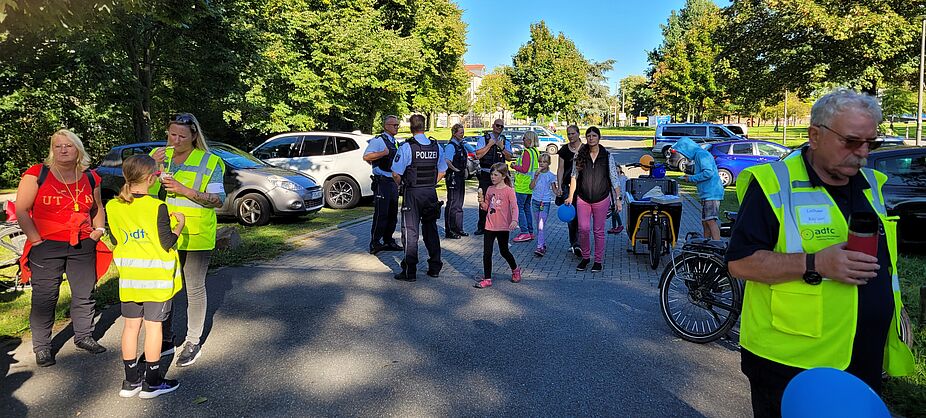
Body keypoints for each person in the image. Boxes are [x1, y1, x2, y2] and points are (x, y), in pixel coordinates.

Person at [726, 89, 914, 417]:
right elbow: (740, 263)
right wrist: (816, 262)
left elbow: (885, 264)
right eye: (851, 142)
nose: (863, 153)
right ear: (815, 135)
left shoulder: (871, 184)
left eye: (871, 144)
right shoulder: (773, 183)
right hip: (791, 363)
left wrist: (893, 310)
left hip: (862, 358)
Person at [15, 129, 107, 367]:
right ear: (52, 150)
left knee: (84, 293)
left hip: (82, 243)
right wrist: (36, 240)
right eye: (58, 146)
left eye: (68, 145)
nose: (63, 150)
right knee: (45, 296)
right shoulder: (37, 173)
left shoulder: (90, 177)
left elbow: (97, 207)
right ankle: (42, 347)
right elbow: (21, 209)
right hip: (46, 245)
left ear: (78, 149)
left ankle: (84, 336)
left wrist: (98, 230)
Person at [106, 155, 185, 399]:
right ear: (151, 179)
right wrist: (179, 225)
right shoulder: (157, 207)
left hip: (130, 278)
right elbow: (167, 242)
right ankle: (152, 382)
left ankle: (131, 381)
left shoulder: (113, 206)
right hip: (156, 280)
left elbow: (116, 239)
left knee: (130, 328)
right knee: (153, 329)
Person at [150, 113, 225, 367]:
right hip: (165, 233)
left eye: (182, 136)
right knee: (165, 288)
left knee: (194, 288)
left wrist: (185, 190)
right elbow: (141, 191)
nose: (176, 140)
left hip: (196, 234)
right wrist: (151, 166)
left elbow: (218, 200)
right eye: (172, 134)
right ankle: (165, 339)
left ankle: (192, 341)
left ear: (194, 136)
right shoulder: (159, 157)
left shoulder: (210, 161)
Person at [392, 114, 447, 282]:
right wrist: (430, 183)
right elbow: (443, 171)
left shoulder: (407, 147)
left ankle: (410, 271)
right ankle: (435, 267)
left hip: (412, 194)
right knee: (431, 230)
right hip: (430, 193)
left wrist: (402, 185)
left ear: (411, 127)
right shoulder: (436, 147)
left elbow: (396, 173)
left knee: (410, 232)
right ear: (424, 126)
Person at [564, 126, 622, 273]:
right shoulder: (580, 155)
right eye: (588, 136)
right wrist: (570, 196)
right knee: (583, 229)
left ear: (599, 137)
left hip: (601, 198)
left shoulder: (607, 156)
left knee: (598, 231)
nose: (591, 138)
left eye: (594, 135)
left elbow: (614, 178)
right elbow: (574, 176)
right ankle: (585, 257)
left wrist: (618, 198)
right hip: (583, 198)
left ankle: (598, 261)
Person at [474, 162, 521, 288]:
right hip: (490, 225)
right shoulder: (490, 189)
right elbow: (486, 207)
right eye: (491, 174)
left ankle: (515, 269)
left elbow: (515, 207)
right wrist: (481, 202)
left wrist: (514, 220)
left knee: (504, 251)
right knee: (487, 253)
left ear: (503, 176)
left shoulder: (509, 191)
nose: (492, 177)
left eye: (495, 175)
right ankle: (487, 278)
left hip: (503, 226)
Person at [362, 115, 404, 253]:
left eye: (397, 125)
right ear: (386, 126)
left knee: (392, 214)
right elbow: (367, 156)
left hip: (392, 181)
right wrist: (382, 153)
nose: (397, 127)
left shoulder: (394, 141)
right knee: (381, 213)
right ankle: (375, 242)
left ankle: (388, 240)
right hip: (382, 182)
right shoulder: (379, 140)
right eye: (394, 125)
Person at [671, 137, 723, 240]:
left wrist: (691, 178)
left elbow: (708, 173)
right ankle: (706, 243)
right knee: (705, 222)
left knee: (710, 220)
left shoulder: (701, 155)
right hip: (707, 193)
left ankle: (717, 244)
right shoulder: (699, 155)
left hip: (711, 192)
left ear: (687, 149)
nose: (684, 156)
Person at [474, 118, 513, 235]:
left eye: (501, 126)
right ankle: (482, 226)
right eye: (497, 125)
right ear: (493, 125)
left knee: (501, 201)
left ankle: (500, 225)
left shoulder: (504, 141)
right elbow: (478, 155)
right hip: (486, 174)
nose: (499, 128)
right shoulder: (484, 139)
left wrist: (502, 147)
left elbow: (509, 157)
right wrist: (489, 145)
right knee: (484, 199)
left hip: (500, 176)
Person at [557, 125, 582, 256]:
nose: (571, 136)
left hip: (582, 187)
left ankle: (581, 242)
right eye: (568, 134)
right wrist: (559, 186)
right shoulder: (564, 150)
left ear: (578, 133)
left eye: (573, 133)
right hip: (567, 186)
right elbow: (560, 168)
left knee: (581, 216)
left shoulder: (585, 149)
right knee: (571, 216)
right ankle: (575, 244)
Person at [511, 131, 540, 243]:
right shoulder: (535, 151)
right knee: (527, 208)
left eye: (524, 138)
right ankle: (530, 231)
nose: (522, 140)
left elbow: (524, 169)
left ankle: (524, 232)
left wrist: (514, 166)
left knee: (520, 208)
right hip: (530, 185)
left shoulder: (527, 152)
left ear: (529, 140)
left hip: (522, 185)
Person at [530, 153, 560, 257]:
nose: (542, 164)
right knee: (538, 225)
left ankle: (540, 247)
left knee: (541, 225)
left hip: (545, 202)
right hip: (535, 201)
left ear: (549, 163)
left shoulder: (551, 175)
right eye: (540, 162)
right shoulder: (535, 173)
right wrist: (535, 177)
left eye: (545, 162)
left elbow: (554, 189)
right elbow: (531, 187)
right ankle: (542, 243)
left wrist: (559, 193)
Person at [443, 123, 469, 239]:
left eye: (463, 132)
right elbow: (447, 161)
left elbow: (473, 152)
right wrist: (455, 169)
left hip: (460, 177)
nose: (462, 134)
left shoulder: (461, 145)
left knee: (459, 203)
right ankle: (450, 230)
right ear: (454, 133)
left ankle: (458, 228)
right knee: (453, 203)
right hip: (453, 177)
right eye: (460, 132)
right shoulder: (451, 146)